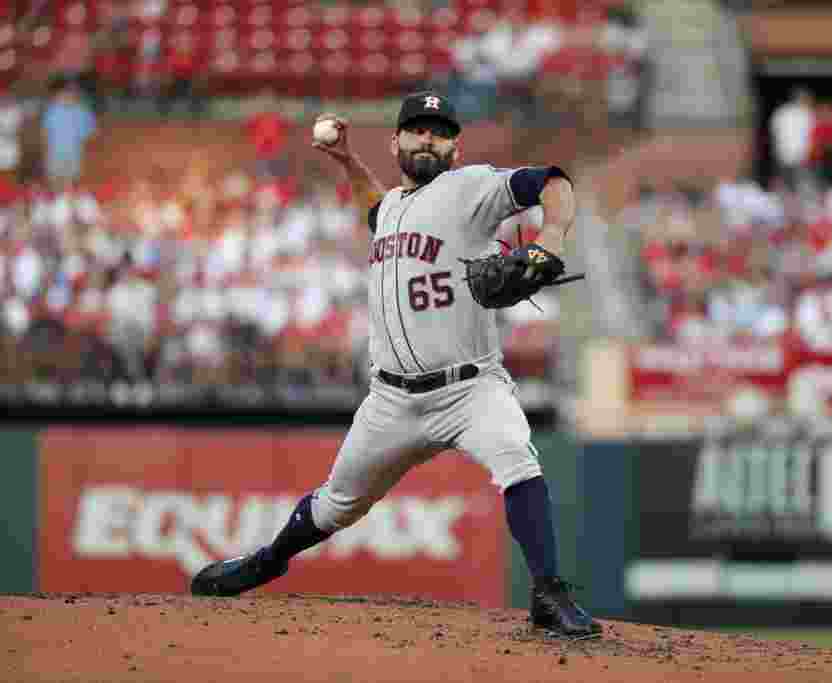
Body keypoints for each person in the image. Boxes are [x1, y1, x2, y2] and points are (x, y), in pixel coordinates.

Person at [190, 91, 602, 639]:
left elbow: (554, 183)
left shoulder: (469, 187)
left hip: (470, 388)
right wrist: (345, 159)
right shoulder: (390, 211)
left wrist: (548, 243)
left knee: (517, 461)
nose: (427, 138)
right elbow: (373, 206)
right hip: (391, 400)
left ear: (455, 147)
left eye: (439, 131)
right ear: (397, 142)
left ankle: (549, 594)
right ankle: (267, 561)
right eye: (416, 129)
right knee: (336, 506)